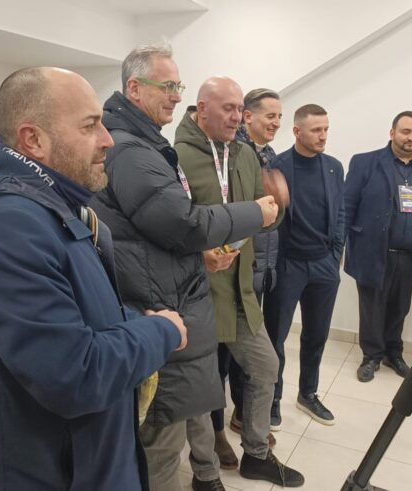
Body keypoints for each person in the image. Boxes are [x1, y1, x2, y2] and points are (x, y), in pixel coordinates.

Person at [0, 67, 187, 491]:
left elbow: (78, 310)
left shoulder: (49, 205)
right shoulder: (4, 226)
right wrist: (160, 333)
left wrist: (137, 319)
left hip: (86, 465)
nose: (107, 139)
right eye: (90, 126)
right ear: (33, 140)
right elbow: (75, 375)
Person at [89, 46, 277, 491]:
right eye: (168, 86)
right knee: (163, 444)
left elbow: (154, 232)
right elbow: (183, 223)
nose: (176, 95)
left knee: (178, 420)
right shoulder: (136, 151)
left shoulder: (159, 146)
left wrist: (201, 254)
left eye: (179, 86)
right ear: (134, 88)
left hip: (194, 294)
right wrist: (255, 213)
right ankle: (206, 473)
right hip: (162, 308)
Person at [176, 76, 305, 488]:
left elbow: (260, 218)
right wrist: (200, 254)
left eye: (240, 110)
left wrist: (276, 207)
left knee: (266, 366)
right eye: (228, 108)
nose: (237, 117)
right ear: (202, 108)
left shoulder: (245, 154)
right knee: (201, 389)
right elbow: (169, 227)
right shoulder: (176, 156)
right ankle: (205, 473)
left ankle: (256, 454)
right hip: (197, 294)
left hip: (240, 292)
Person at [344, 111, 412, 383]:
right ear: (392, 133)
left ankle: (393, 353)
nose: (411, 137)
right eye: (405, 131)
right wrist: (340, 247)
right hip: (372, 251)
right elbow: (347, 206)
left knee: (400, 308)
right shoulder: (365, 163)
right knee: (372, 307)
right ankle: (371, 356)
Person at [264, 104, 344, 428]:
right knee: (276, 337)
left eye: (326, 129)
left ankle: (307, 393)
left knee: (316, 335)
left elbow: (340, 211)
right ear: (297, 131)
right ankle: (273, 398)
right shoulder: (277, 167)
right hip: (288, 265)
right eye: (316, 130)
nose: (323, 136)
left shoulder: (334, 168)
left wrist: (335, 255)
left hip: (324, 265)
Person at [214, 88, 282, 466]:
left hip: (257, 272)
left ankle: (243, 421)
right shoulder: (227, 155)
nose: (276, 123)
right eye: (270, 115)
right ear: (248, 117)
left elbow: (269, 216)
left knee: (256, 362)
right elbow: (230, 216)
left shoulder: (268, 156)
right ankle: (216, 434)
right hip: (223, 275)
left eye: (279, 117)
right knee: (219, 365)